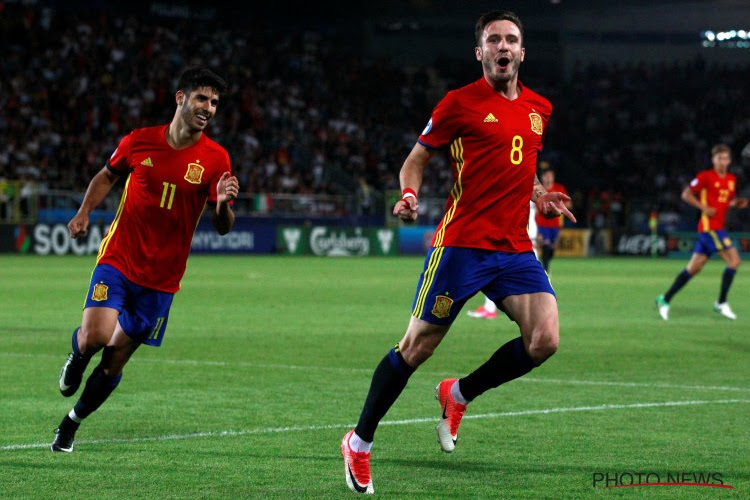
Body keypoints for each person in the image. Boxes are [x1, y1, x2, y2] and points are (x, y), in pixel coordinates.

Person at [340, 11, 575, 494]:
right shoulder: (459, 103)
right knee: (416, 349)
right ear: (481, 52)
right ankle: (359, 443)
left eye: (512, 39)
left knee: (544, 340)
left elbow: (521, 161)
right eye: (494, 40)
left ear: (523, 51)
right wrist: (408, 195)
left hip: (513, 247)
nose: (503, 47)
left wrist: (538, 195)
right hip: (460, 244)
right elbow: (417, 157)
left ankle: (459, 393)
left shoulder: (540, 108)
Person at [51, 67, 240, 452]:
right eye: (202, 98)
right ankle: (77, 354)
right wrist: (85, 211)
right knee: (96, 337)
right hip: (119, 257)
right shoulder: (139, 141)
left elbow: (223, 226)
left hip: (162, 280)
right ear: (180, 98)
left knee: (115, 362)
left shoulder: (217, 159)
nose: (209, 108)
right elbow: (106, 176)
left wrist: (222, 204)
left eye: (215, 102)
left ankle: (71, 423)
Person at [656, 143, 748, 320]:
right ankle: (721, 303)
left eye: (725, 158)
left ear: (729, 161)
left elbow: (724, 201)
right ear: (713, 160)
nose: (722, 161)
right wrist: (703, 207)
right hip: (710, 228)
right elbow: (686, 194)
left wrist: (735, 204)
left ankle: (664, 299)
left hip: (717, 228)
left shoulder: (731, 180)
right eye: (719, 158)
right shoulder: (705, 177)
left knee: (693, 269)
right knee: (734, 261)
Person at [466, 200, 538, 319]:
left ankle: (490, 308)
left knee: (493, 270)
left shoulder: (521, 188)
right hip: (524, 238)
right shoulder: (528, 189)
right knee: (530, 276)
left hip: (520, 238)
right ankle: (490, 307)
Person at [535, 166, 571, 272]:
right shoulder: (537, 190)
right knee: (545, 245)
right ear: (542, 177)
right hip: (541, 225)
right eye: (546, 176)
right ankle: (545, 270)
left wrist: (558, 206)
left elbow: (569, 204)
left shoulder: (559, 188)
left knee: (551, 248)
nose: (549, 178)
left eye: (551, 176)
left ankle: (546, 263)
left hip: (555, 225)